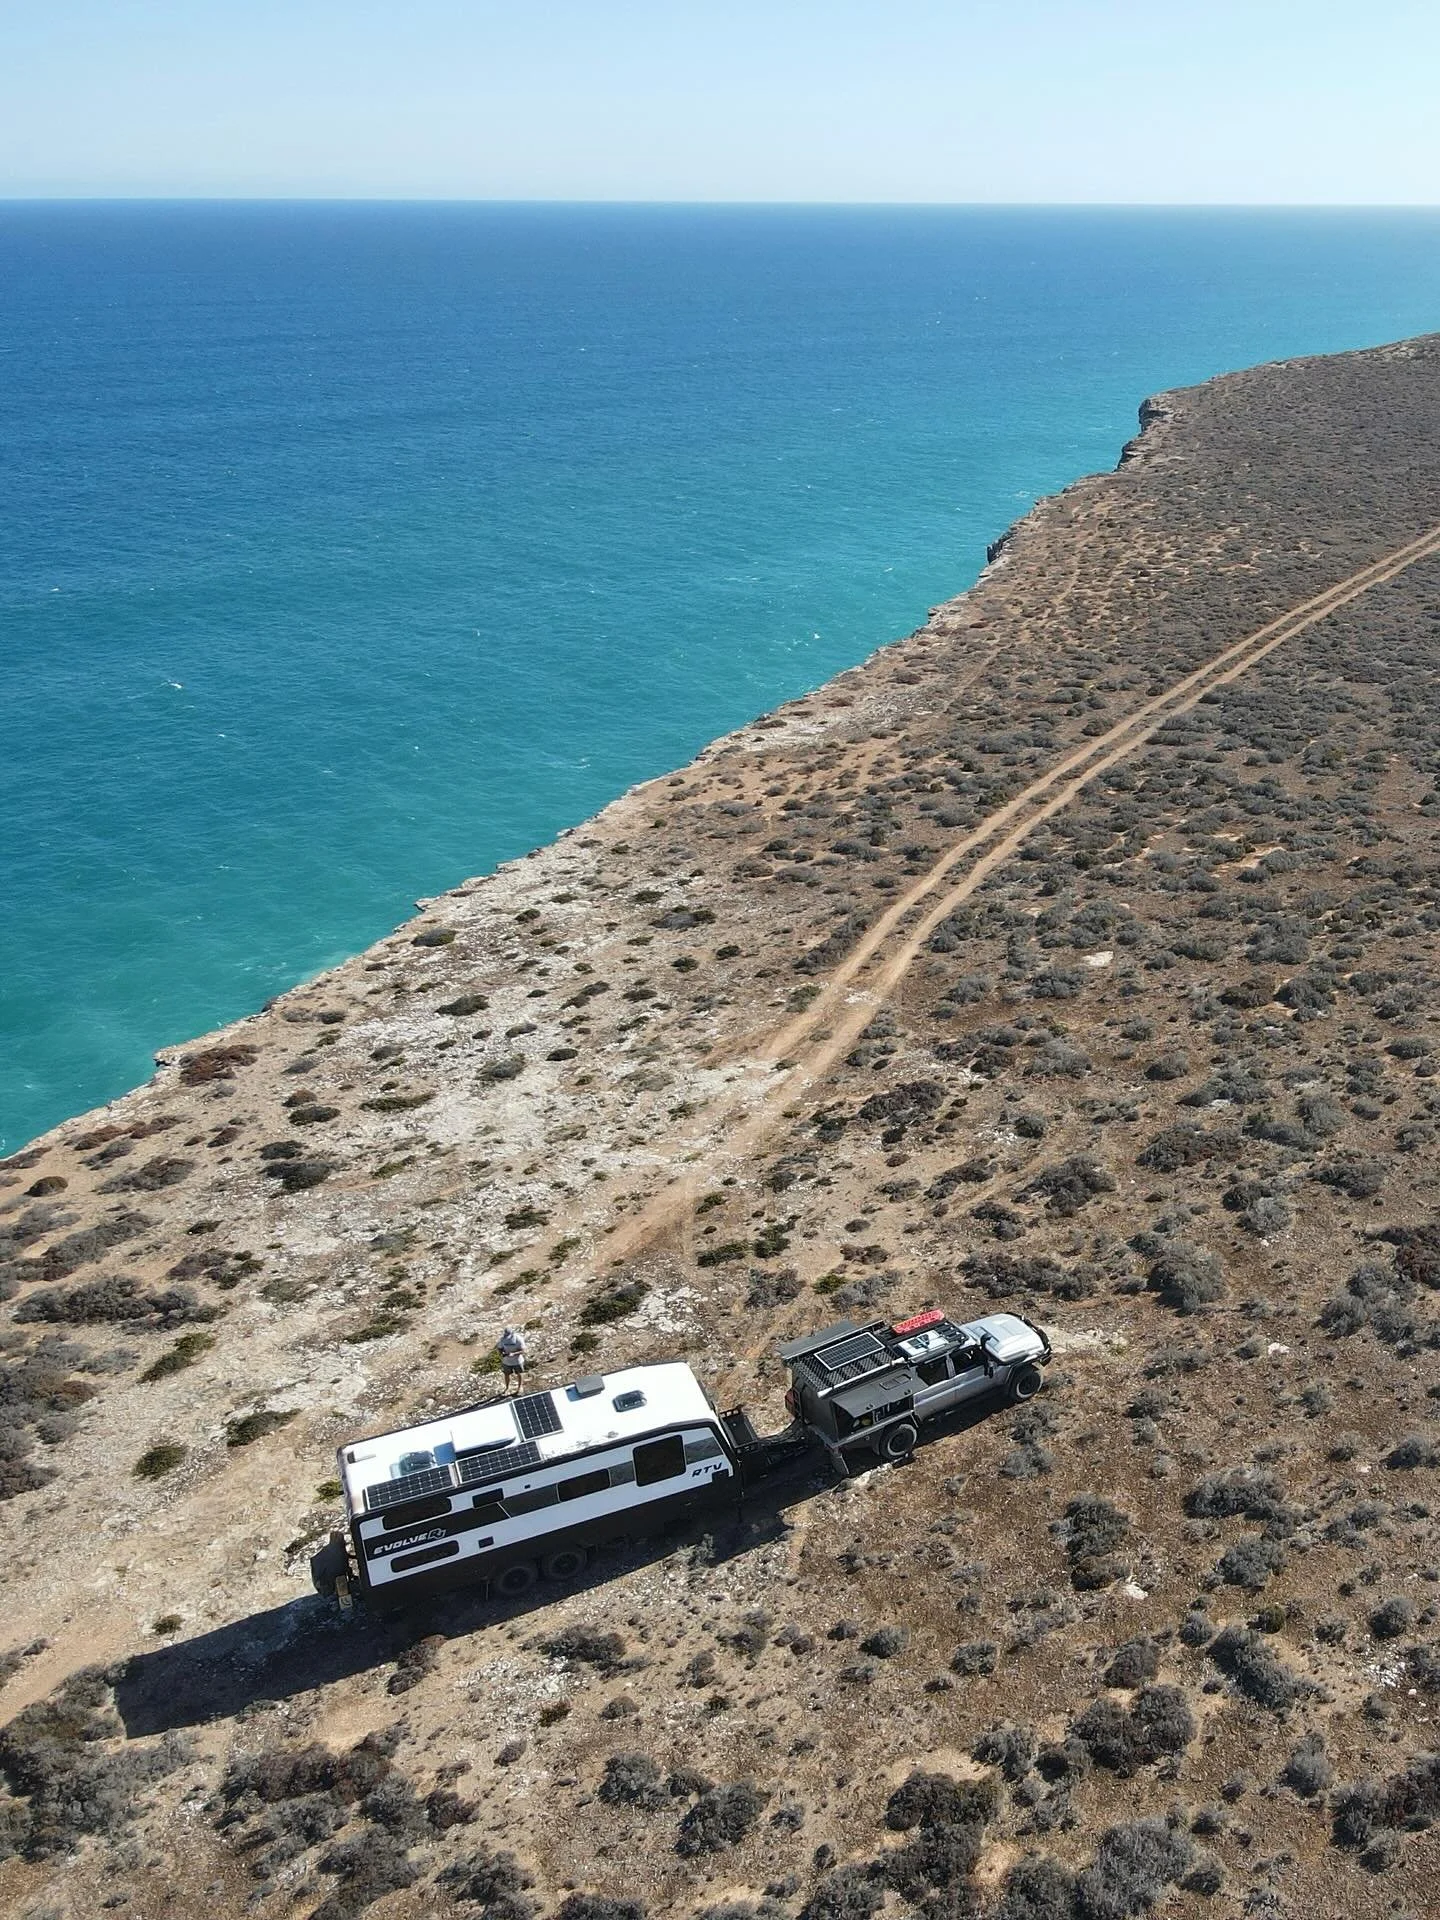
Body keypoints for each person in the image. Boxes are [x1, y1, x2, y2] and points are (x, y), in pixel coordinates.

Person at [496, 1326, 527, 1396]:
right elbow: (499, 1348)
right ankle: (507, 1388)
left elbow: (523, 1350)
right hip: (506, 1361)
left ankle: (520, 1387)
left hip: (517, 1361)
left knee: (519, 1373)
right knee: (506, 1374)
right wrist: (502, 1353)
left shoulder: (518, 1339)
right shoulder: (502, 1339)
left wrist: (514, 1354)